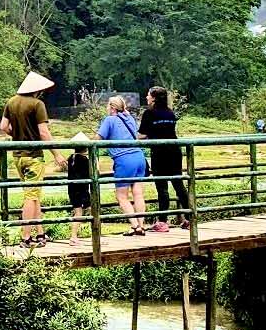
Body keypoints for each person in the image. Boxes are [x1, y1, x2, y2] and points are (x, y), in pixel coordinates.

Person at [0, 71, 66, 248]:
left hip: (18, 157)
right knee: (31, 196)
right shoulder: (37, 104)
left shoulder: (11, 102)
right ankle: (26, 237)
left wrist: (18, 135)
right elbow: (44, 133)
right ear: (37, 90)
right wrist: (56, 154)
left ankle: (40, 234)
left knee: (34, 195)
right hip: (34, 157)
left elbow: (3, 127)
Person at [96, 95, 149, 236]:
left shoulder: (109, 120)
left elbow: (98, 139)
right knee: (138, 193)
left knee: (122, 196)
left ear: (112, 107)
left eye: (108, 106)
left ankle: (135, 226)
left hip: (124, 159)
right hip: (139, 157)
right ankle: (142, 225)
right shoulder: (130, 118)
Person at [140, 87, 189, 231]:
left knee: (162, 187)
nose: (147, 97)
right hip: (174, 151)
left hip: (159, 152)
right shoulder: (170, 112)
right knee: (178, 184)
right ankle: (190, 218)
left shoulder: (149, 113)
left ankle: (162, 222)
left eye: (148, 95)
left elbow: (142, 135)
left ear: (154, 98)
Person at [65, 132, 92, 246]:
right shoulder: (84, 159)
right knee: (91, 211)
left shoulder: (71, 158)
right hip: (82, 189)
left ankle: (74, 236)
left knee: (78, 212)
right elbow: (93, 172)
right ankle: (94, 235)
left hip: (72, 188)